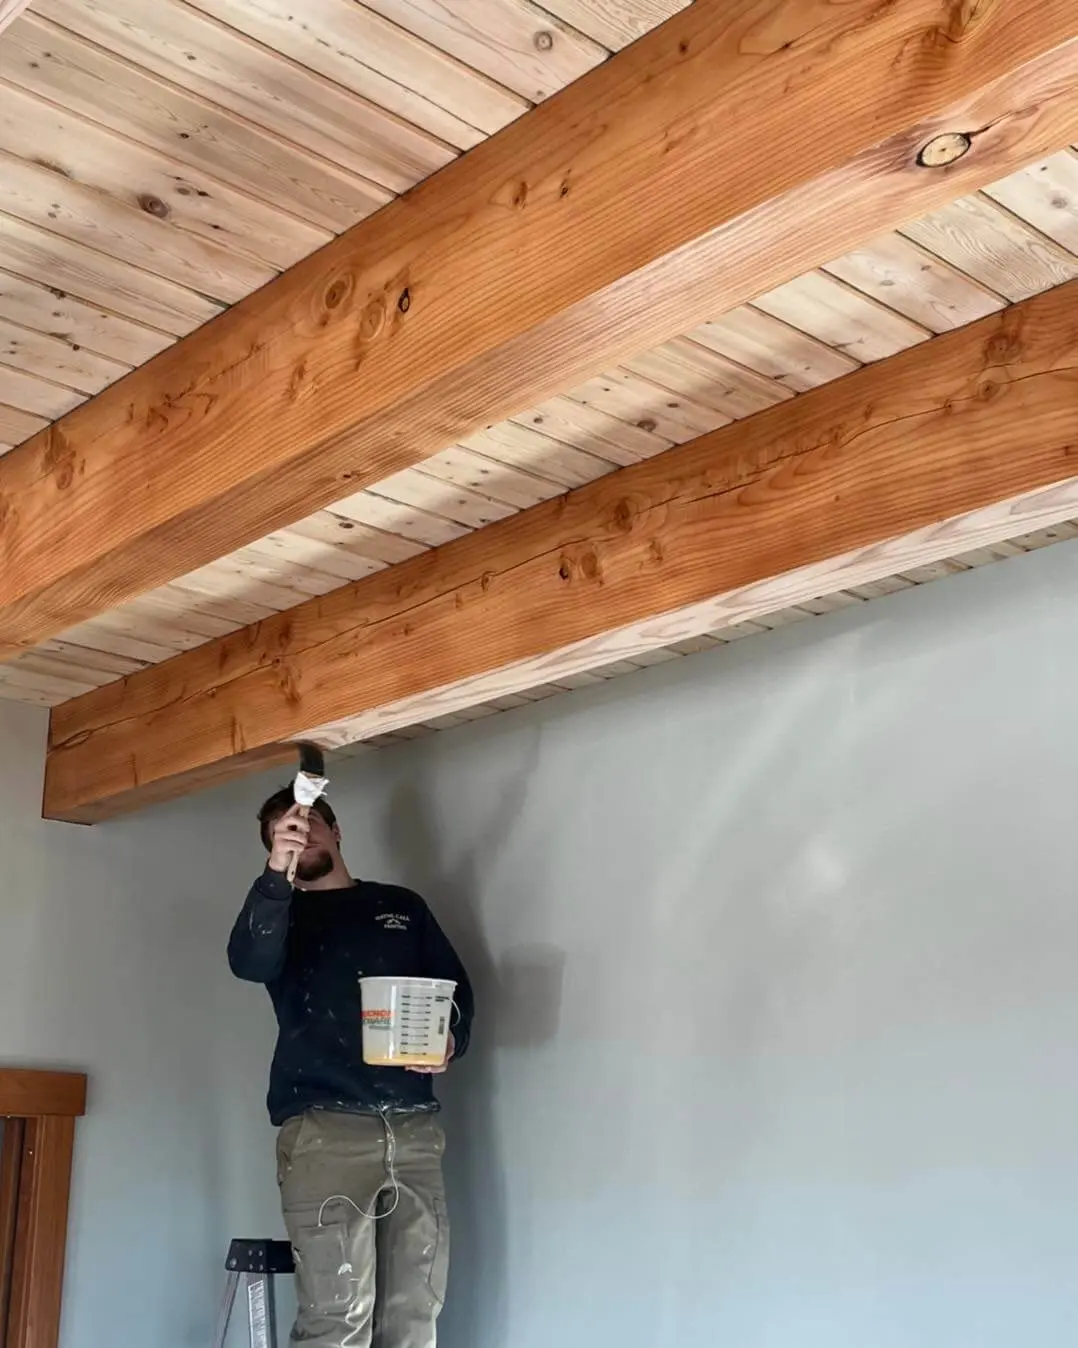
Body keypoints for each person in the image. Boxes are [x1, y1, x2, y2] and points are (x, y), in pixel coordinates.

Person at [228, 786, 474, 1348]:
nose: (299, 833)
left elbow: (455, 989)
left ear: (337, 832)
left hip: (413, 1129)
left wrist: (452, 1039)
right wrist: (275, 877)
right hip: (325, 1133)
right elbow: (248, 961)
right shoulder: (280, 915)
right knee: (337, 1320)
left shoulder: (401, 908)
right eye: (282, 832)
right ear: (274, 849)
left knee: (414, 1316)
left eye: (309, 821)